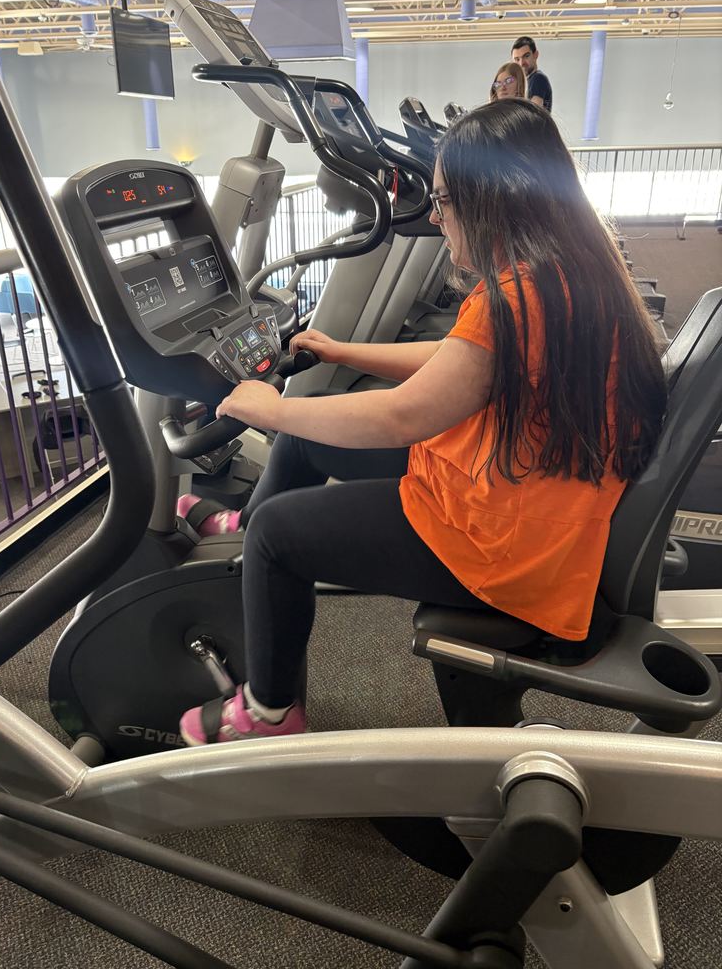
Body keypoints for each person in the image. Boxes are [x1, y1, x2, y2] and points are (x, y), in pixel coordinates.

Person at [179, 99, 667, 746]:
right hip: (527, 495)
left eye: (443, 202)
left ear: (488, 200)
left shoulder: (516, 297)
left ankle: (268, 709)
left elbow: (406, 414)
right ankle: (238, 538)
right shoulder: (572, 271)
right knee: (305, 436)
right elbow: (459, 362)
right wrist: (343, 350)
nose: (436, 218)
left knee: (278, 531)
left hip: (502, 542)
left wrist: (268, 408)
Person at [511, 36, 553, 112]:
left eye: (526, 56)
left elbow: (533, 114)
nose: (521, 63)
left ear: (535, 55)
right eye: (517, 59)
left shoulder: (537, 78)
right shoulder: (525, 83)